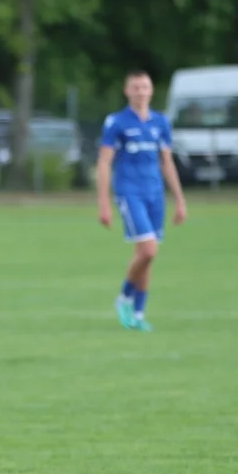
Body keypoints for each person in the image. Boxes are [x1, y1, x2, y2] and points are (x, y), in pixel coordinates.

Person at [96, 69, 187, 331]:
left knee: (146, 256)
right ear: (127, 91)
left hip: (155, 193)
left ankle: (137, 315)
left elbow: (167, 162)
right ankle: (124, 297)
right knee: (148, 250)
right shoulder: (116, 122)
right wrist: (104, 202)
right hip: (129, 192)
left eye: (145, 87)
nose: (141, 92)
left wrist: (180, 199)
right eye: (135, 87)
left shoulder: (161, 122)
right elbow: (104, 163)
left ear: (151, 91)